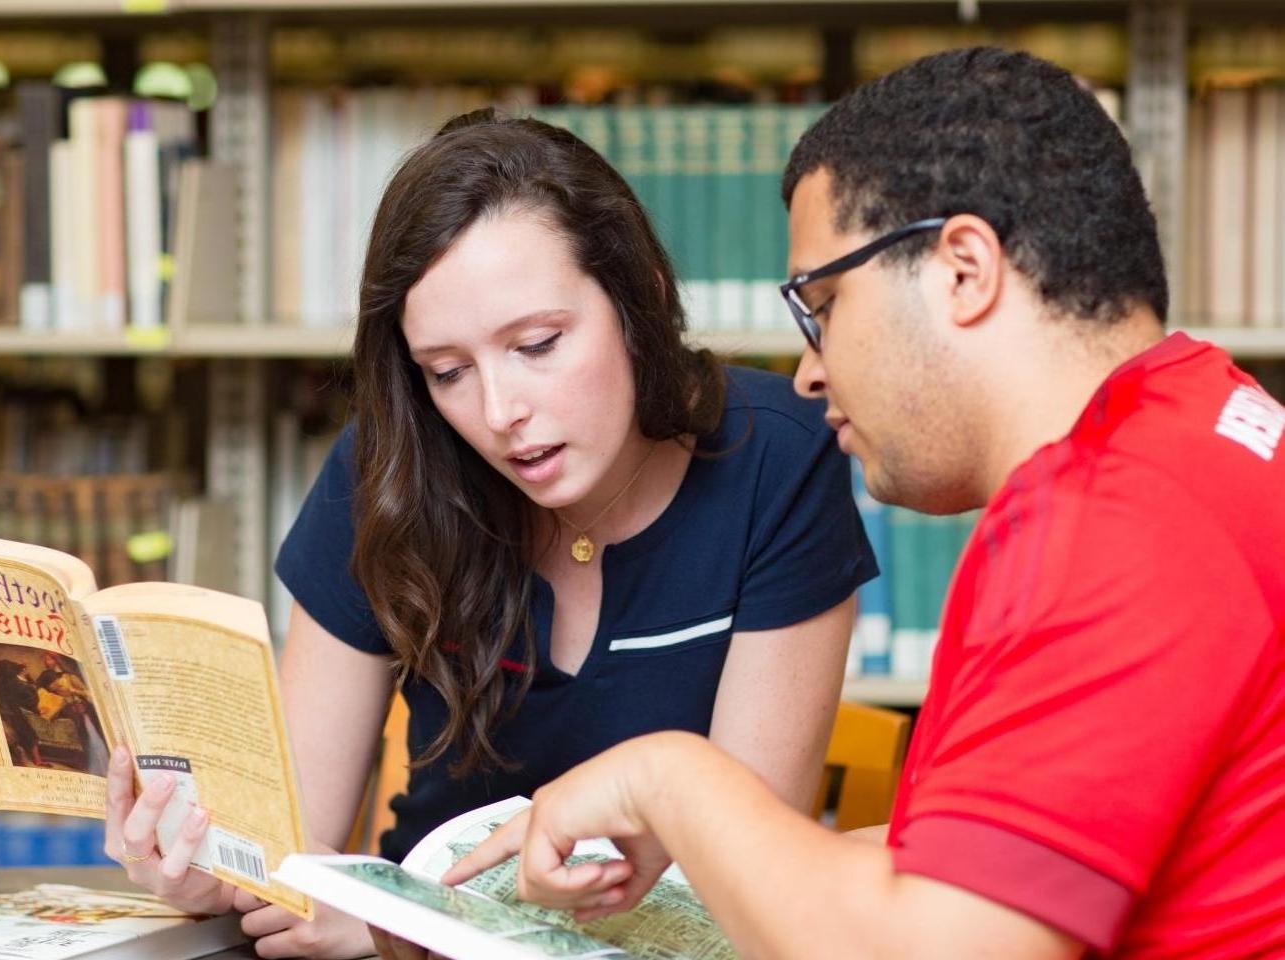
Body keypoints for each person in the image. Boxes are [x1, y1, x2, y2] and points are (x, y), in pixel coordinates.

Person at [438, 47, 1285, 960]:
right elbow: (1004, 862)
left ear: (963, 268)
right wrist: (709, 845)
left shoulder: (1109, 519)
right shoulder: (1207, 423)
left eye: (825, 305)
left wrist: (666, 780)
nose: (808, 373)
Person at [103, 109, 877, 958]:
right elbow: (293, 845)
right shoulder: (391, 470)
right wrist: (203, 866)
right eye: (449, 372)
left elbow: (743, 896)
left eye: (538, 344)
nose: (502, 413)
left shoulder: (780, 460)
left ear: (640, 300)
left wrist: (402, 927)